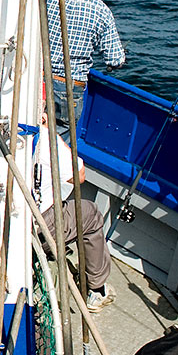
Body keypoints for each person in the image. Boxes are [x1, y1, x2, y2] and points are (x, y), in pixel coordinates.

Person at [34, 123, 116, 311]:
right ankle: (95, 289)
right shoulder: (44, 137)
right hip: (39, 228)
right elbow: (78, 175)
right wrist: (52, 133)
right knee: (90, 214)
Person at [44, 0, 125, 128]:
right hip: (70, 88)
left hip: (38, 79)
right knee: (61, 141)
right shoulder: (102, 10)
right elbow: (115, 59)